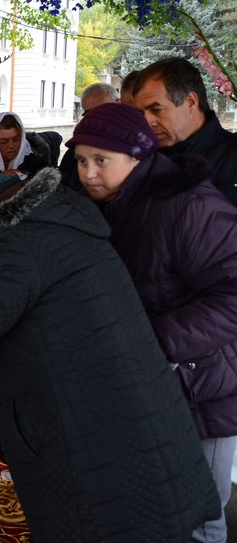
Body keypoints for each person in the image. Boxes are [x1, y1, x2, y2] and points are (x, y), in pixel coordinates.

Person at [0, 167, 220, 542]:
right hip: (142, 431)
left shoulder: (5, 238)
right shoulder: (47, 221)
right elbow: (35, 274)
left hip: (97, 452)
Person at [67, 102, 237, 543]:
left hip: (204, 389)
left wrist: (149, 341)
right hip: (148, 386)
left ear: (138, 156)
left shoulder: (189, 206)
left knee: (199, 518)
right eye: (81, 161)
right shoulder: (109, 206)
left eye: (101, 160)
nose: (88, 173)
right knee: (156, 509)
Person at [133, 56, 237, 206]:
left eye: (156, 110)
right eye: (141, 113)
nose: (147, 122)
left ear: (191, 102)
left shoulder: (232, 156)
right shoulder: (143, 159)